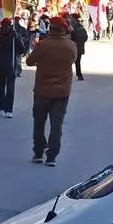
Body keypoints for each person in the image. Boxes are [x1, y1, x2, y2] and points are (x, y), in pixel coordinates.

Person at [26, 16, 77, 167]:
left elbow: (29, 61)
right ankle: (51, 156)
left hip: (42, 90)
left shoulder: (42, 45)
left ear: (50, 28)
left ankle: (38, 152)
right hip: (62, 92)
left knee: (39, 122)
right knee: (57, 125)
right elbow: (73, 60)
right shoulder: (70, 46)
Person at [0, 18, 25, 118]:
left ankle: (8, 109)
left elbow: (22, 49)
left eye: (6, 26)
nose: (5, 28)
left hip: (10, 65)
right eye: (3, 26)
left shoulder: (13, 36)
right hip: (0, 65)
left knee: (9, 89)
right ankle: (2, 107)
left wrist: (17, 39)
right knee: (1, 88)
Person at [69, 13, 88, 81]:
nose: (70, 19)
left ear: (74, 19)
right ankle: (79, 75)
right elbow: (85, 37)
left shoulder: (73, 27)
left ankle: (71, 75)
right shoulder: (80, 26)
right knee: (77, 62)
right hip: (78, 47)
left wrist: (75, 42)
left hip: (74, 47)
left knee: (69, 62)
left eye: (71, 18)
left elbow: (71, 36)